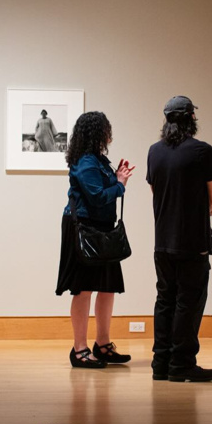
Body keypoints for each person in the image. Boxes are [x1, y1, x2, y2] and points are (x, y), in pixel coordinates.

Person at [146, 95, 212, 383]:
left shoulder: (154, 152)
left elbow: (156, 191)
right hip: (192, 241)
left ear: (166, 121)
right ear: (192, 119)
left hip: (162, 241)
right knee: (189, 302)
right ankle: (182, 363)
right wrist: (207, 206)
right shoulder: (202, 152)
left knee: (165, 299)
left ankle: (160, 363)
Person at [56, 111, 135, 368]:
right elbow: (98, 197)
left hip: (100, 229)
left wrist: (117, 175)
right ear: (98, 133)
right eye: (106, 130)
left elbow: (103, 188)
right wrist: (120, 184)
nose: (109, 134)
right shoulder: (86, 162)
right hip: (84, 229)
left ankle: (102, 344)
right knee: (83, 288)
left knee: (107, 286)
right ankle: (79, 349)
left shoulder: (98, 160)